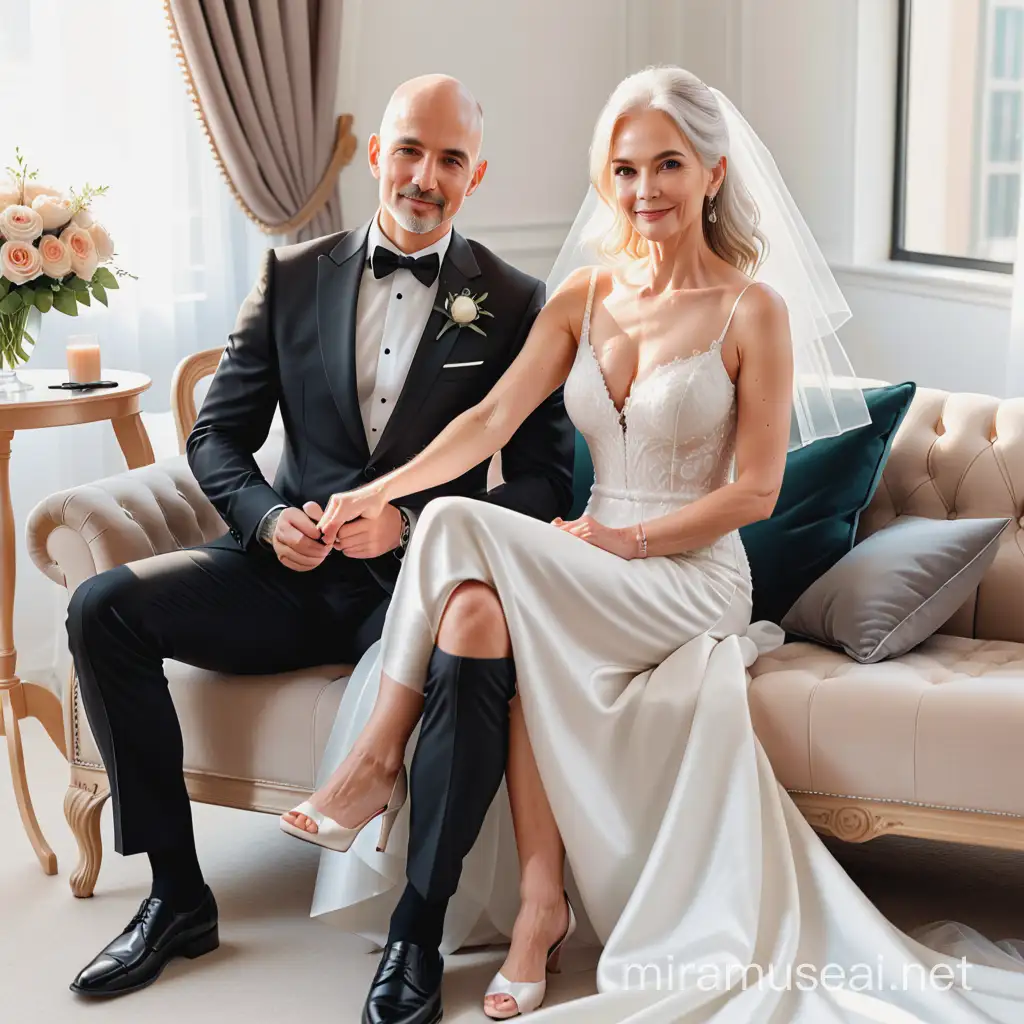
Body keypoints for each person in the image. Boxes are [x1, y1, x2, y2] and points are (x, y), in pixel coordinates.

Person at [283, 67, 1024, 1024]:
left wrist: (624, 540)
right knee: (498, 618)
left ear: (712, 172)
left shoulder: (751, 309)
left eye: (668, 164)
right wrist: (374, 491)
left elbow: (755, 493)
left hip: (691, 572)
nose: (645, 190)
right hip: (598, 561)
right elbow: (490, 420)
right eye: (625, 169)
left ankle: (379, 757)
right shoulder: (585, 296)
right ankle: (538, 912)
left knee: (462, 523)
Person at [62, 73, 575, 999]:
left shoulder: (515, 298)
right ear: (377, 153)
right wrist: (265, 520)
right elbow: (216, 436)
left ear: (477, 175)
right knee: (103, 608)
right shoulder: (289, 274)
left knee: (476, 657)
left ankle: (415, 932)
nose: (425, 175)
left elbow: (547, 481)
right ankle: (177, 896)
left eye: (450, 159)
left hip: (420, 585)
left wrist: (413, 522)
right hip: (283, 577)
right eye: (410, 150)